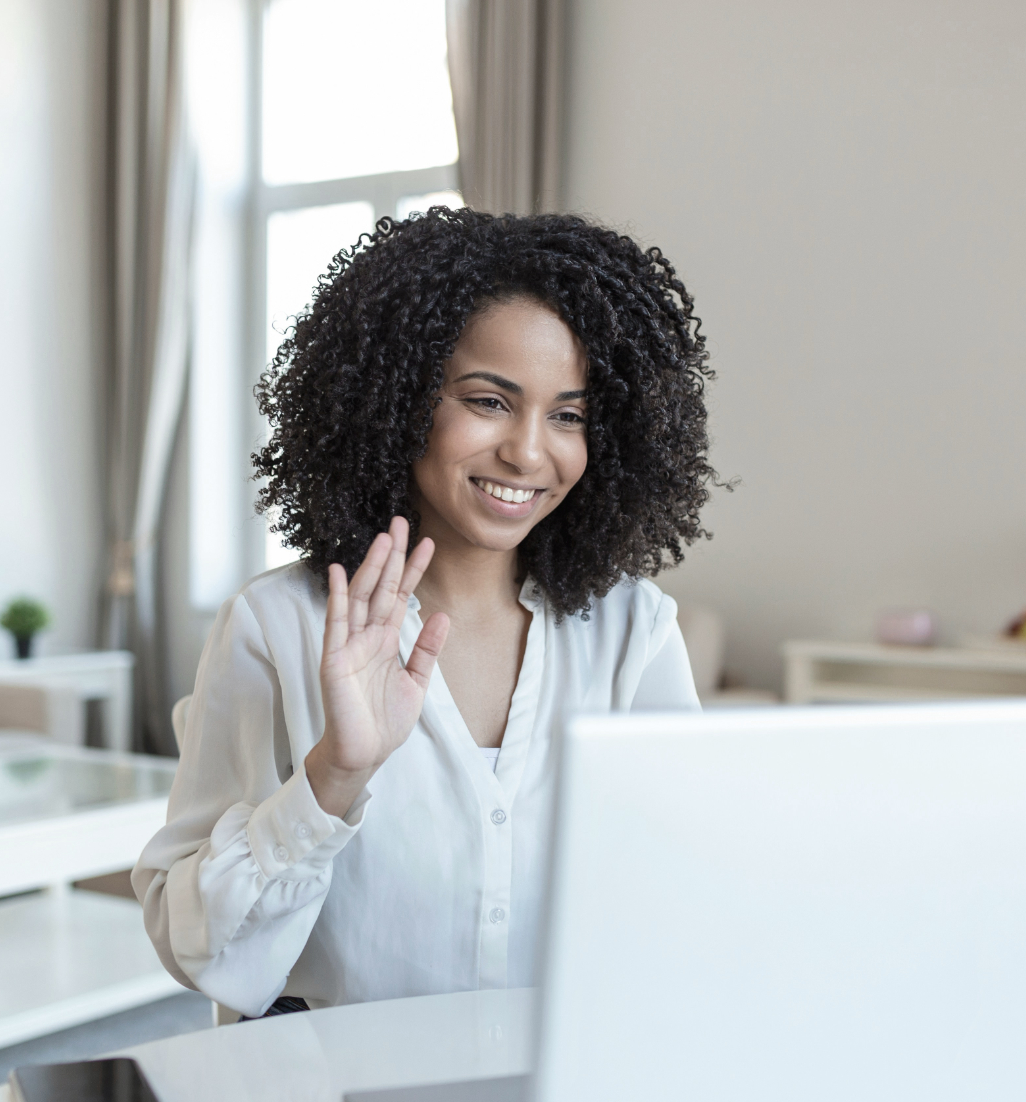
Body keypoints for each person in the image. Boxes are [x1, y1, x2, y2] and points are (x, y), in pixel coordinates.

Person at [133, 208, 720, 1018]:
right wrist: (333, 775)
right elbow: (196, 948)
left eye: (569, 415)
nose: (527, 451)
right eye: (488, 401)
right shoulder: (278, 626)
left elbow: (688, 907)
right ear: (401, 399)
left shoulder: (634, 633)